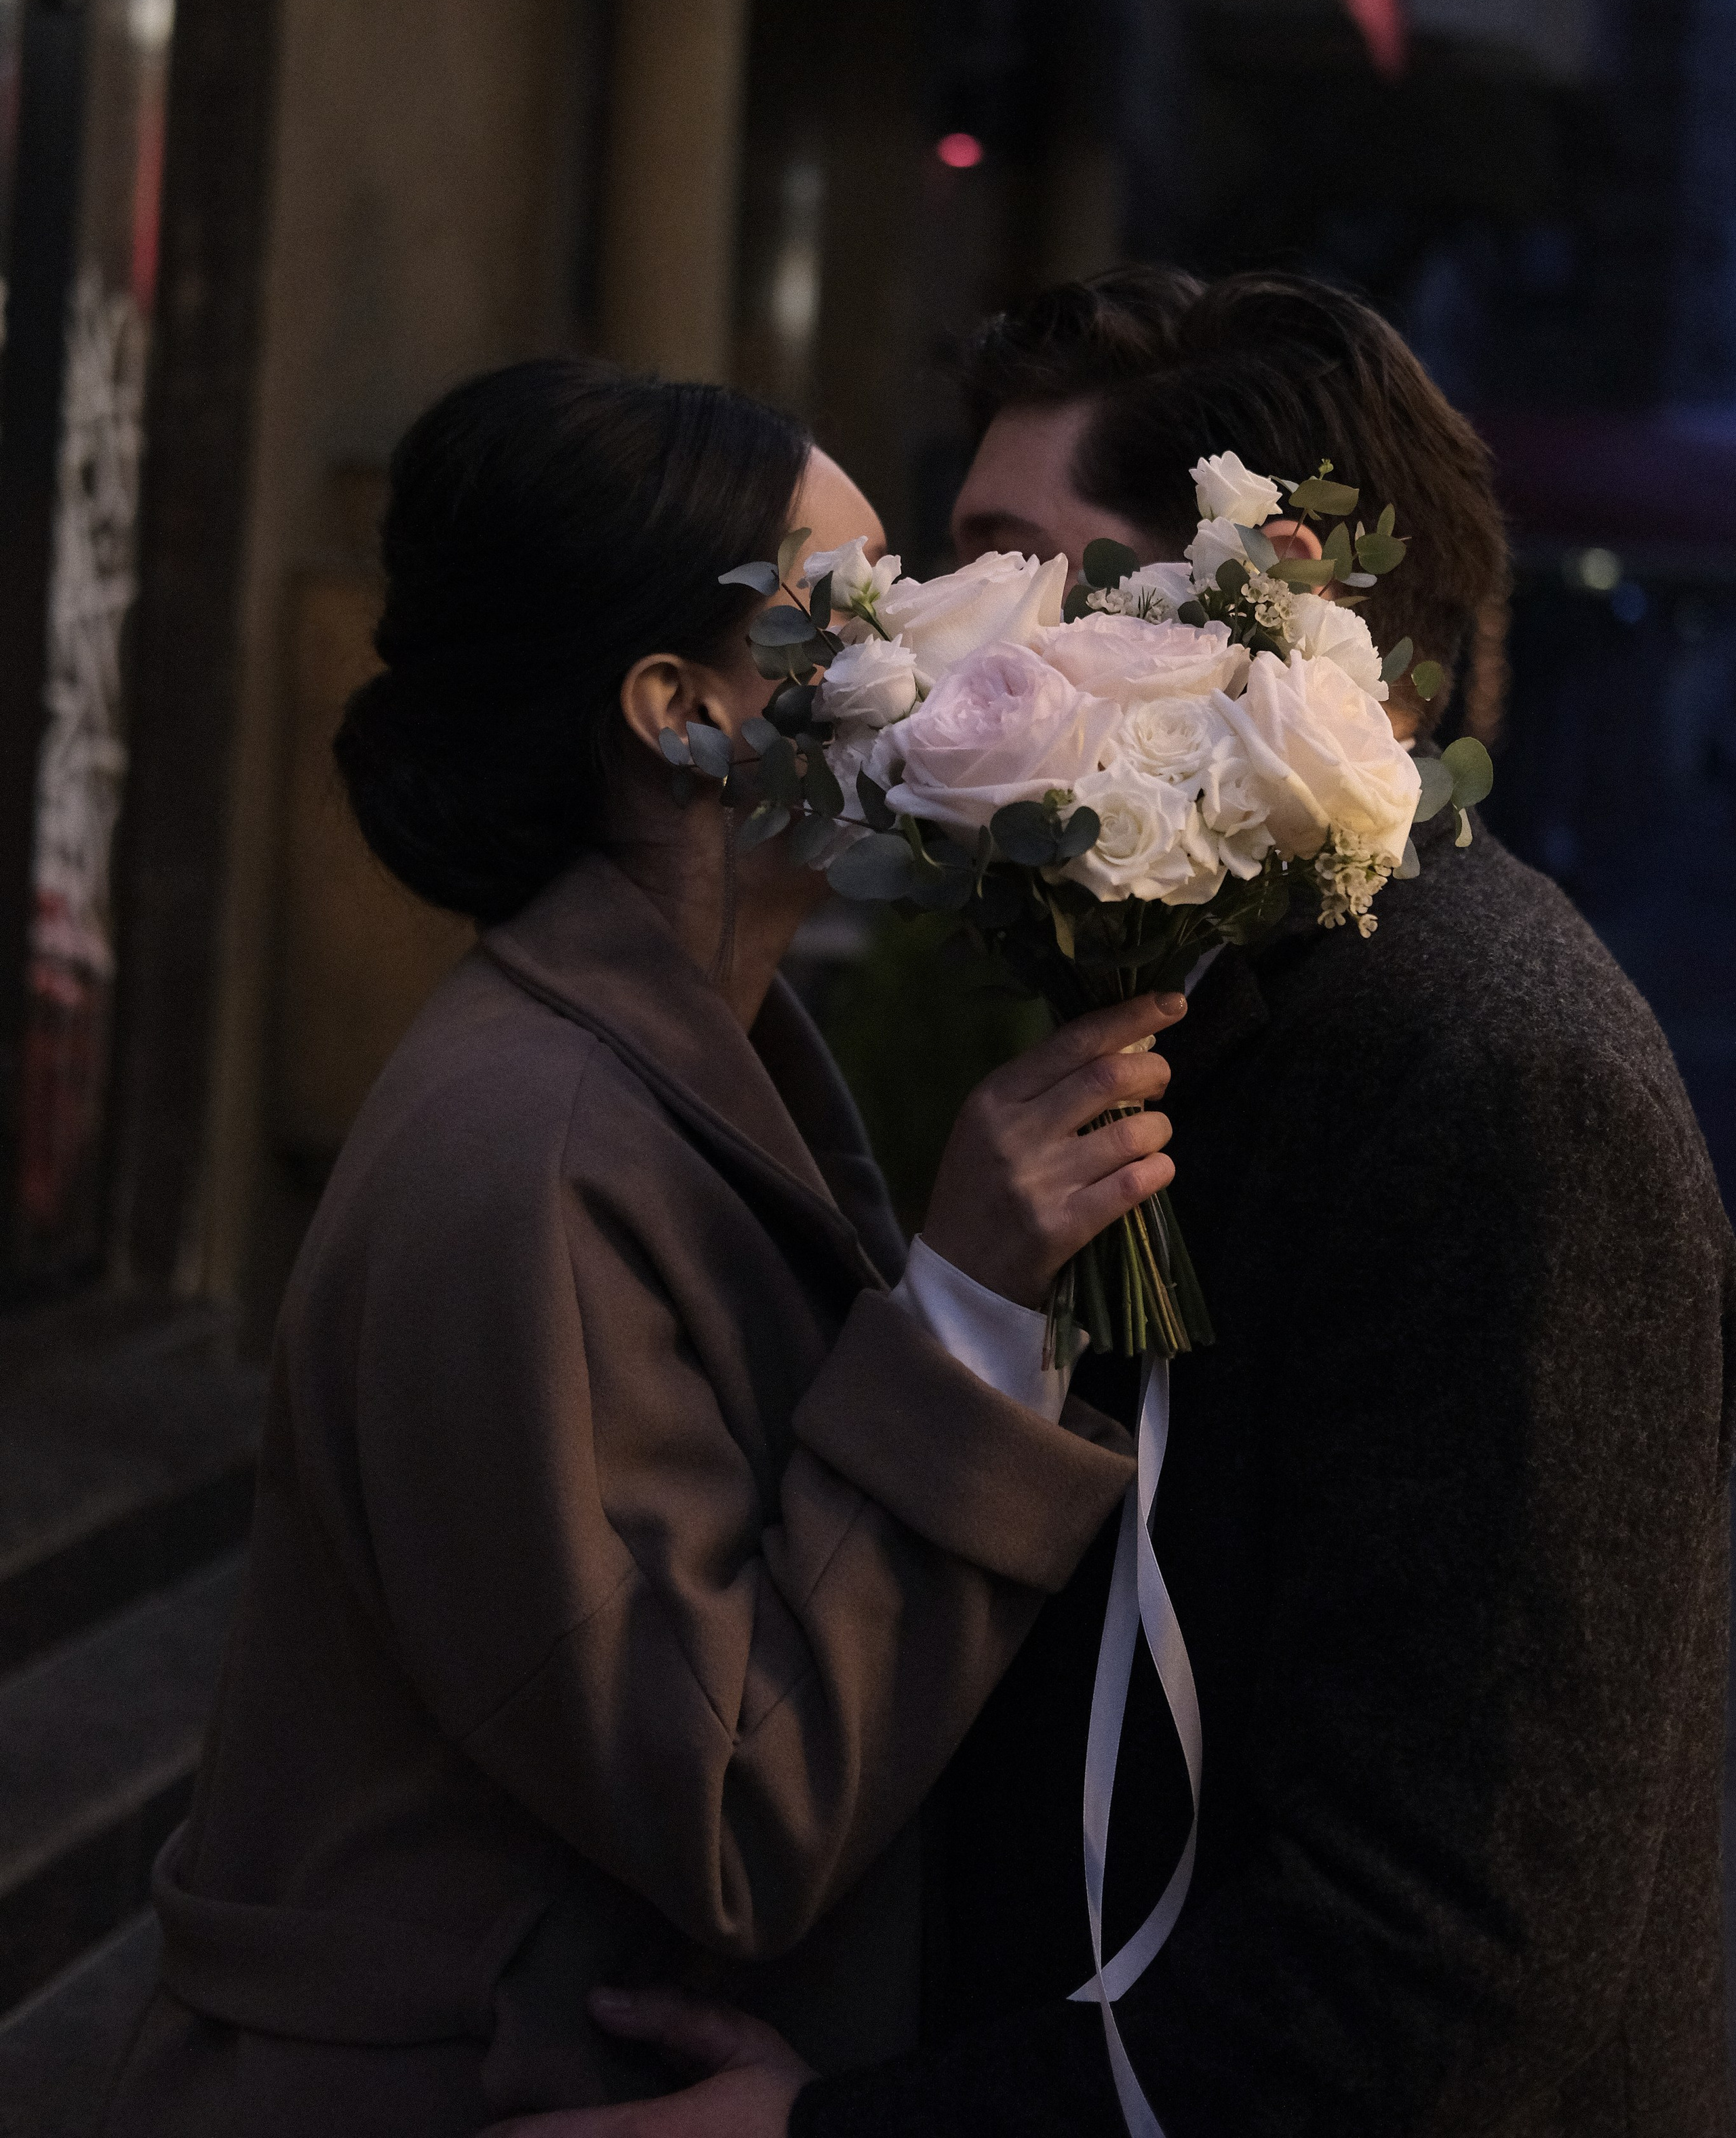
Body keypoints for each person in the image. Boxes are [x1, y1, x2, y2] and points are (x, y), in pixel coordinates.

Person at [530, 271, 1736, 2138]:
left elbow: (1435, 1964)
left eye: (1008, 574)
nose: (929, 656)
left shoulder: (1495, 1076)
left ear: (1252, 613)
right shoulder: (1207, 992)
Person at [100, 359, 1194, 2136]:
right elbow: (731, 1802)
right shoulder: (529, 1151)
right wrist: (969, 1304)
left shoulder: (686, 1053)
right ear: (684, 713)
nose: (939, 650)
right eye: (854, 609)